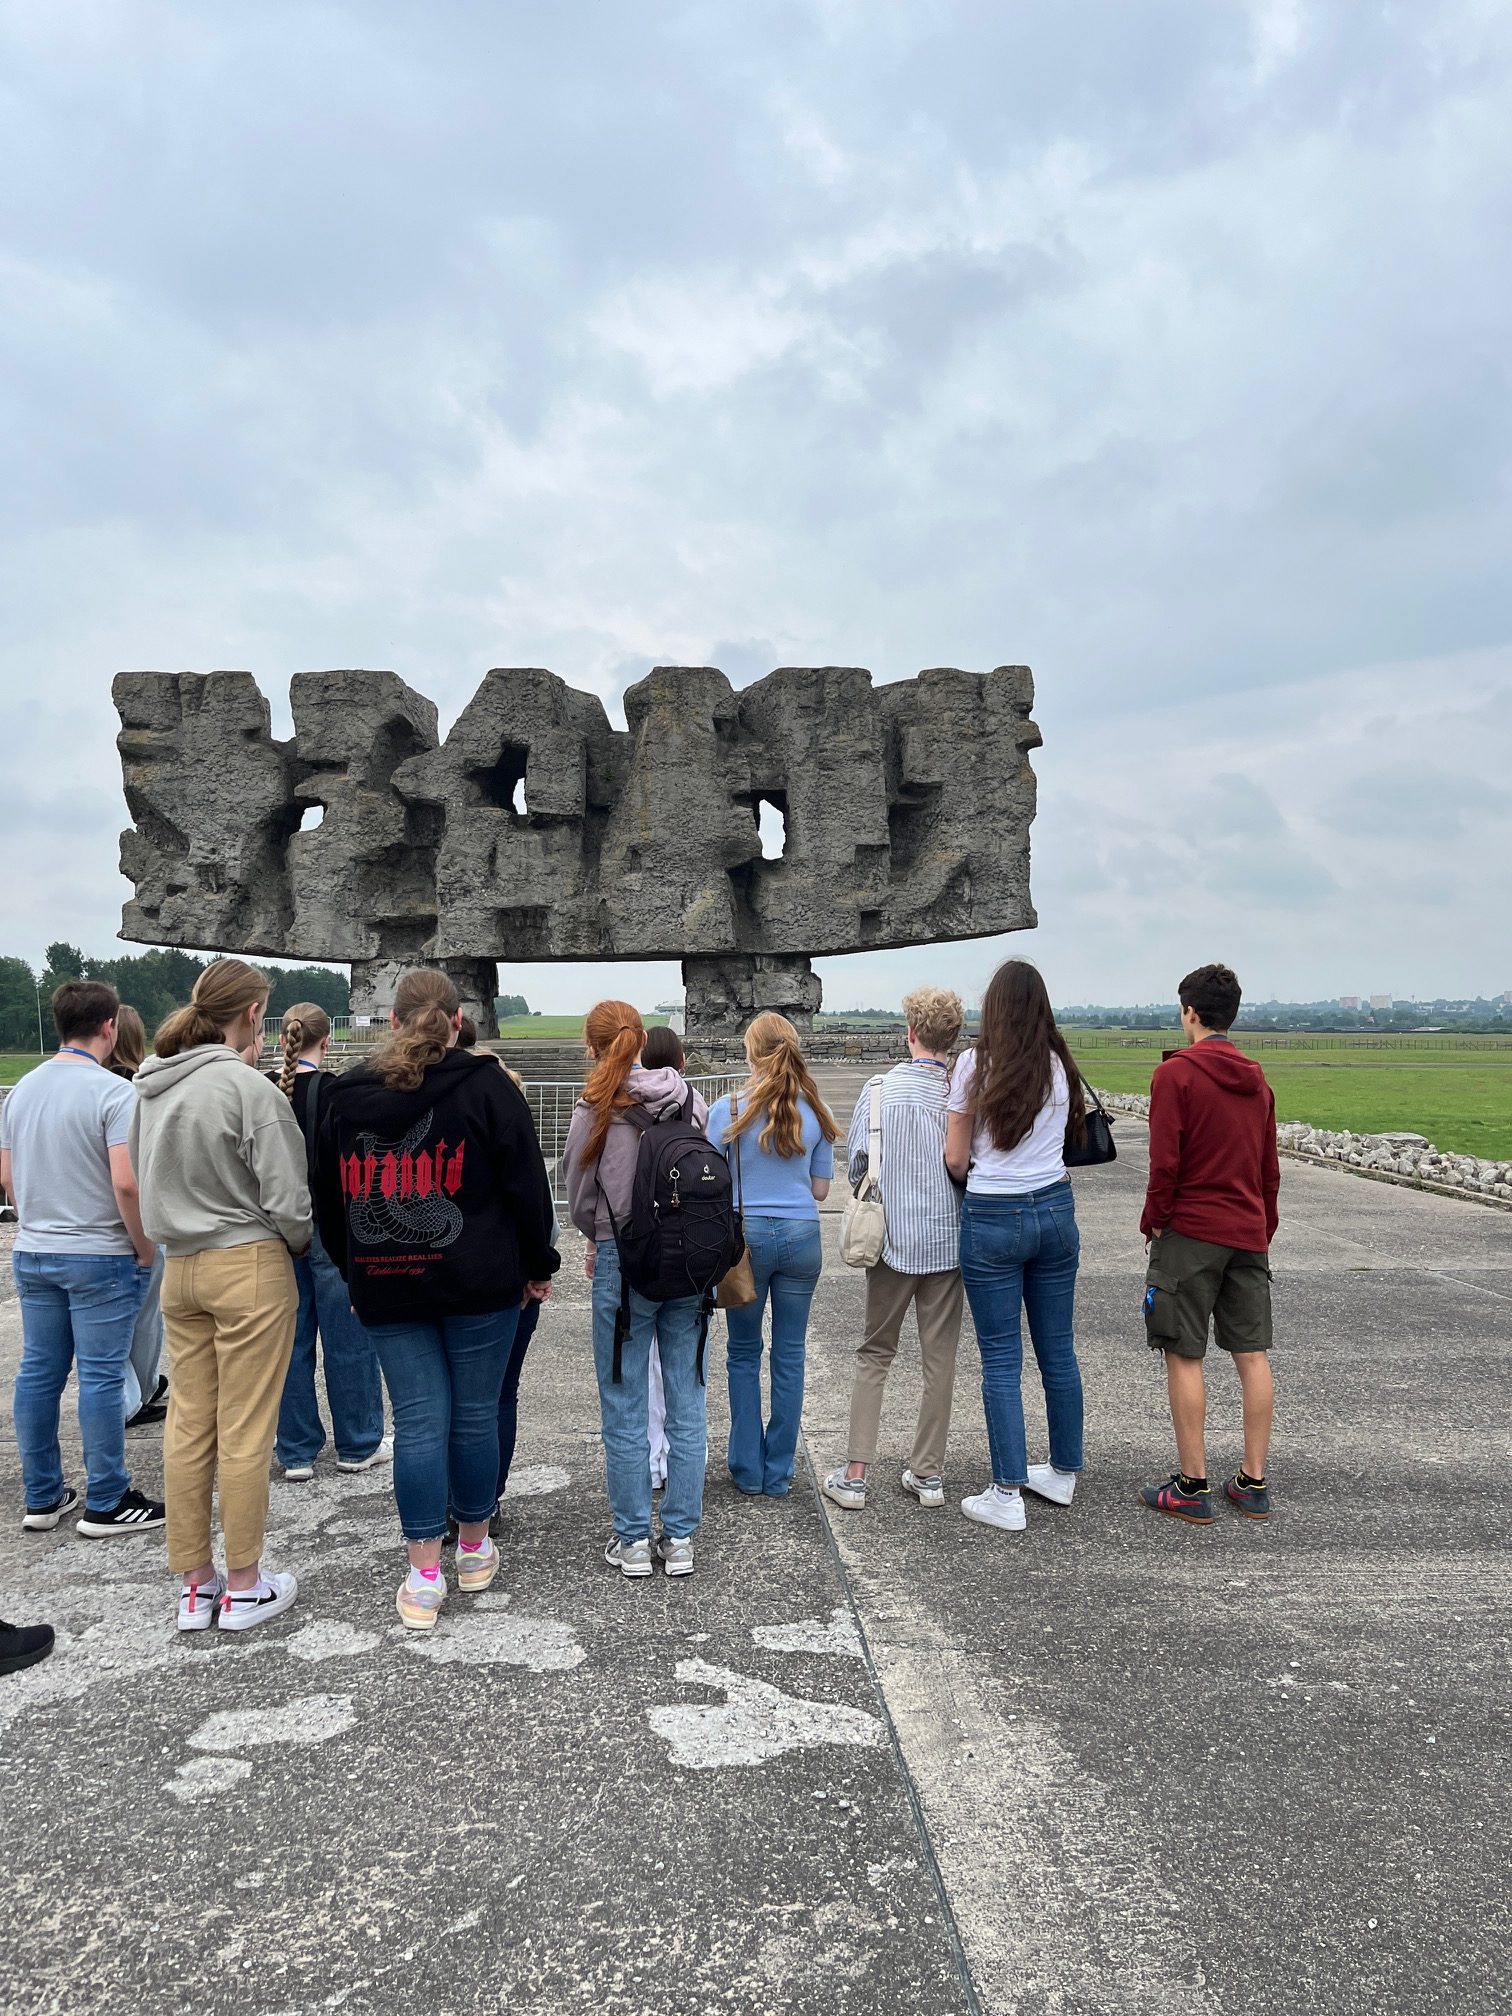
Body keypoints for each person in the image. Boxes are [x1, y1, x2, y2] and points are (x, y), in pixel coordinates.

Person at [314, 970, 558, 1630]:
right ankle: (474, 1549)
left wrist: (352, 1271)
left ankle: (423, 1574)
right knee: (475, 1413)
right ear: (456, 1022)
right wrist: (540, 1265)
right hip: (481, 1281)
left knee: (420, 1419)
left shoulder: (344, 1096)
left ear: (392, 1022)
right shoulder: (485, 1087)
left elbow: (329, 1202)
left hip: (388, 1280)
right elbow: (528, 1189)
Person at [132, 959, 312, 1630]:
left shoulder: (149, 1086)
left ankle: (195, 1583)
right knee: (245, 1426)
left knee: (188, 1423)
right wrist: (297, 1240)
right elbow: (287, 1196)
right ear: (252, 1015)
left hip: (180, 1265)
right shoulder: (247, 1088)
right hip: (247, 1261)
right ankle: (244, 1582)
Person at [3, 979, 164, 1539]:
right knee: (98, 1376)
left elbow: (8, 1178)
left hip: (35, 1247)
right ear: (109, 1026)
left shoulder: (22, 1090)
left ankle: (42, 1494)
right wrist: (144, 1248)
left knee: (39, 1373)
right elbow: (127, 1183)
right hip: (98, 1251)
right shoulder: (114, 1094)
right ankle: (108, 1497)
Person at [563, 1002, 709, 1578]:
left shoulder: (594, 1108)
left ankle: (631, 1541)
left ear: (592, 1047)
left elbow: (578, 1196)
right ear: (643, 1040)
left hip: (623, 1260)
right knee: (686, 1398)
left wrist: (600, 1232)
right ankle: (680, 1540)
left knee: (623, 1403)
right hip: (688, 1263)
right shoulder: (689, 1098)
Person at [945, 960, 1086, 1533]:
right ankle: (1063, 1470)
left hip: (994, 1214)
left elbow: (956, 1156)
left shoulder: (974, 1066)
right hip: (1054, 1209)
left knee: (1001, 1358)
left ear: (994, 1009)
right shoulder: (1060, 1065)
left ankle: (1006, 1492)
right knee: (1058, 1350)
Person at [1138, 964, 1280, 1523]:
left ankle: (1191, 1485)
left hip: (1191, 1230)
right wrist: (1262, 1225)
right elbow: (1269, 1168)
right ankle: (1253, 1480)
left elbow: (1164, 1163)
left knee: (1184, 1350)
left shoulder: (1176, 1077)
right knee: (1252, 1354)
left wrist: (1155, 1219)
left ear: (1190, 1012)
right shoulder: (1258, 1079)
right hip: (1247, 1228)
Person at [823, 985, 966, 1513]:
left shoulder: (880, 1090)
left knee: (875, 1353)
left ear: (910, 1033)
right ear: (952, 1038)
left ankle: (856, 1473)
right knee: (939, 1360)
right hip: (947, 1241)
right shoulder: (960, 1092)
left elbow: (858, 1162)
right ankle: (928, 1473)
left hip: (890, 1240)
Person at [707, 1014, 837, 1498]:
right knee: (790, 1354)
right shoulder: (816, 1108)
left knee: (743, 1354)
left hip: (746, 1239)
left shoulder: (728, 1109)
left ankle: (747, 1467)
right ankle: (780, 1469)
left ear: (750, 1053)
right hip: (802, 1236)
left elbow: (711, 1184)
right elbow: (821, 1190)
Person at [270, 1003, 389, 1483]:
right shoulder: (334, 1091)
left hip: (278, 1227)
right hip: (330, 1225)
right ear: (328, 1040)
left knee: (290, 1342)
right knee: (349, 1339)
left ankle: (295, 1449)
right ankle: (358, 1442)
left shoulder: (269, 1091)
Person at [107, 1005, 169, 1429]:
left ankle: (132, 1389)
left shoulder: (95, 1086)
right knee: (145, 1318)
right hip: (138, 1215)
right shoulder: (135, 1091)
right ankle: (137, 1392)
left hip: (96, 1221)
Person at [638, 1024, 689, 1490]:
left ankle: (651, 1463)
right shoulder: (699, 1105)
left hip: (642, 1247)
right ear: (682, 1061)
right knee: (686, 1371)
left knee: (643, 1368)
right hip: (691, 1250)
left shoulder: (624, 1105)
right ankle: (681, 1464)